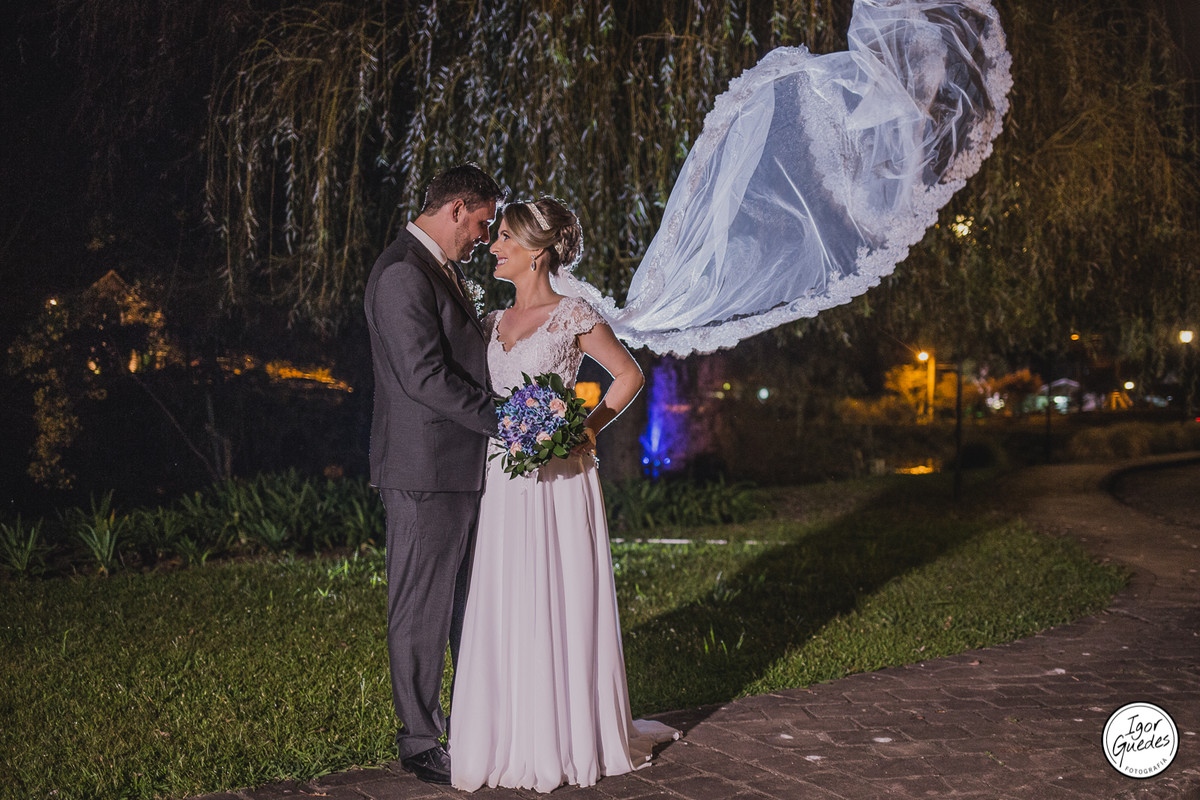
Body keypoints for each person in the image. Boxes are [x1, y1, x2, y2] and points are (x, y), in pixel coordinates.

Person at [449, 197, 678, 793]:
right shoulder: (491, 323)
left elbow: (628, 375)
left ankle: (566, 734)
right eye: (494, 237)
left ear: (537, 252)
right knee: (508, 591)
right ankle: (509, 733)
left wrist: (585, 427)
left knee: (559, 589)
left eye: (503, 239)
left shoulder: (572, 313)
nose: (493, 247)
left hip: (561, 479)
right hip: (504, 478)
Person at [363, 163, 505, 786]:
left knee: (463, 605)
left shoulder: (436, 269)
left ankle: (471, 724)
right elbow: (423, 378)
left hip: (458, 467)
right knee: (421, 605)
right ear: (454, 210)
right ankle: (419, 741)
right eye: (480, 223)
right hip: (424, 469)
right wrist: (502, 420)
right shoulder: (401, 273)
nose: (483, 237)